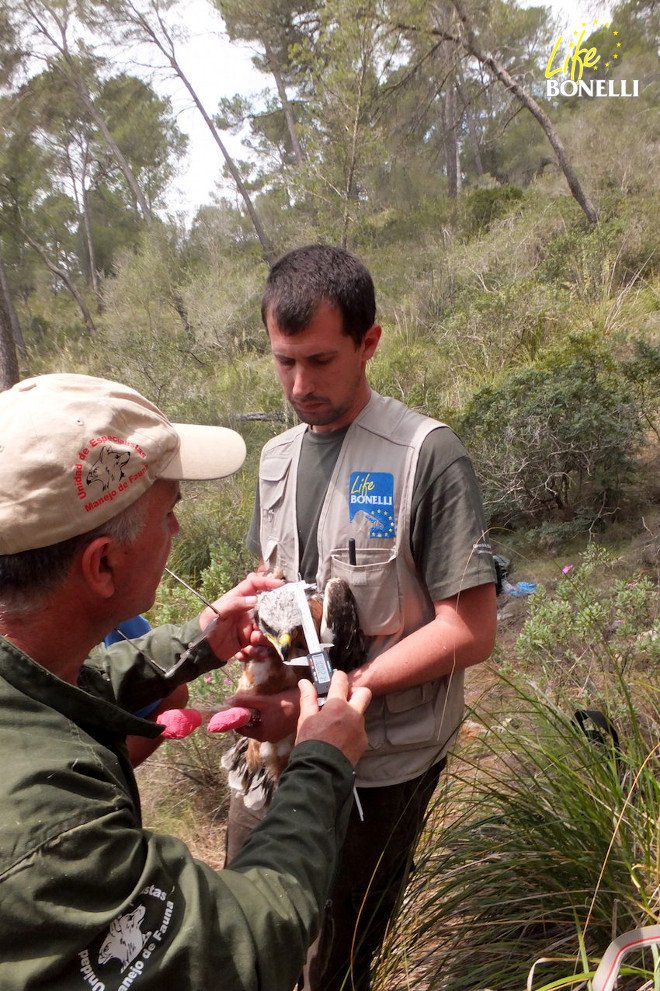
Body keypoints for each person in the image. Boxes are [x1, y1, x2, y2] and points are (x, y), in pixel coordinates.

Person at [0, 372, 371, 991]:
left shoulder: (30, 674)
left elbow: (65, 687)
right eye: (168, 515)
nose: (176, 533)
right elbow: (240, 948)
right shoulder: (54, 832)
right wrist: (321, 764)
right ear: (104, 563)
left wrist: (202, 639)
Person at [226, 245, 498, 990]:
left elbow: (471, 627)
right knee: (246, 933)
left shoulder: (425, 455)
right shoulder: (276, 457)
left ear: (369, 341)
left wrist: (349, 696)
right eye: (283, 362)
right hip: (276, 753)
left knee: (334, 956)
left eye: (319, 360)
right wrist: (261, 641)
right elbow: (282, 591)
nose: (299, 385)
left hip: (379, 765)